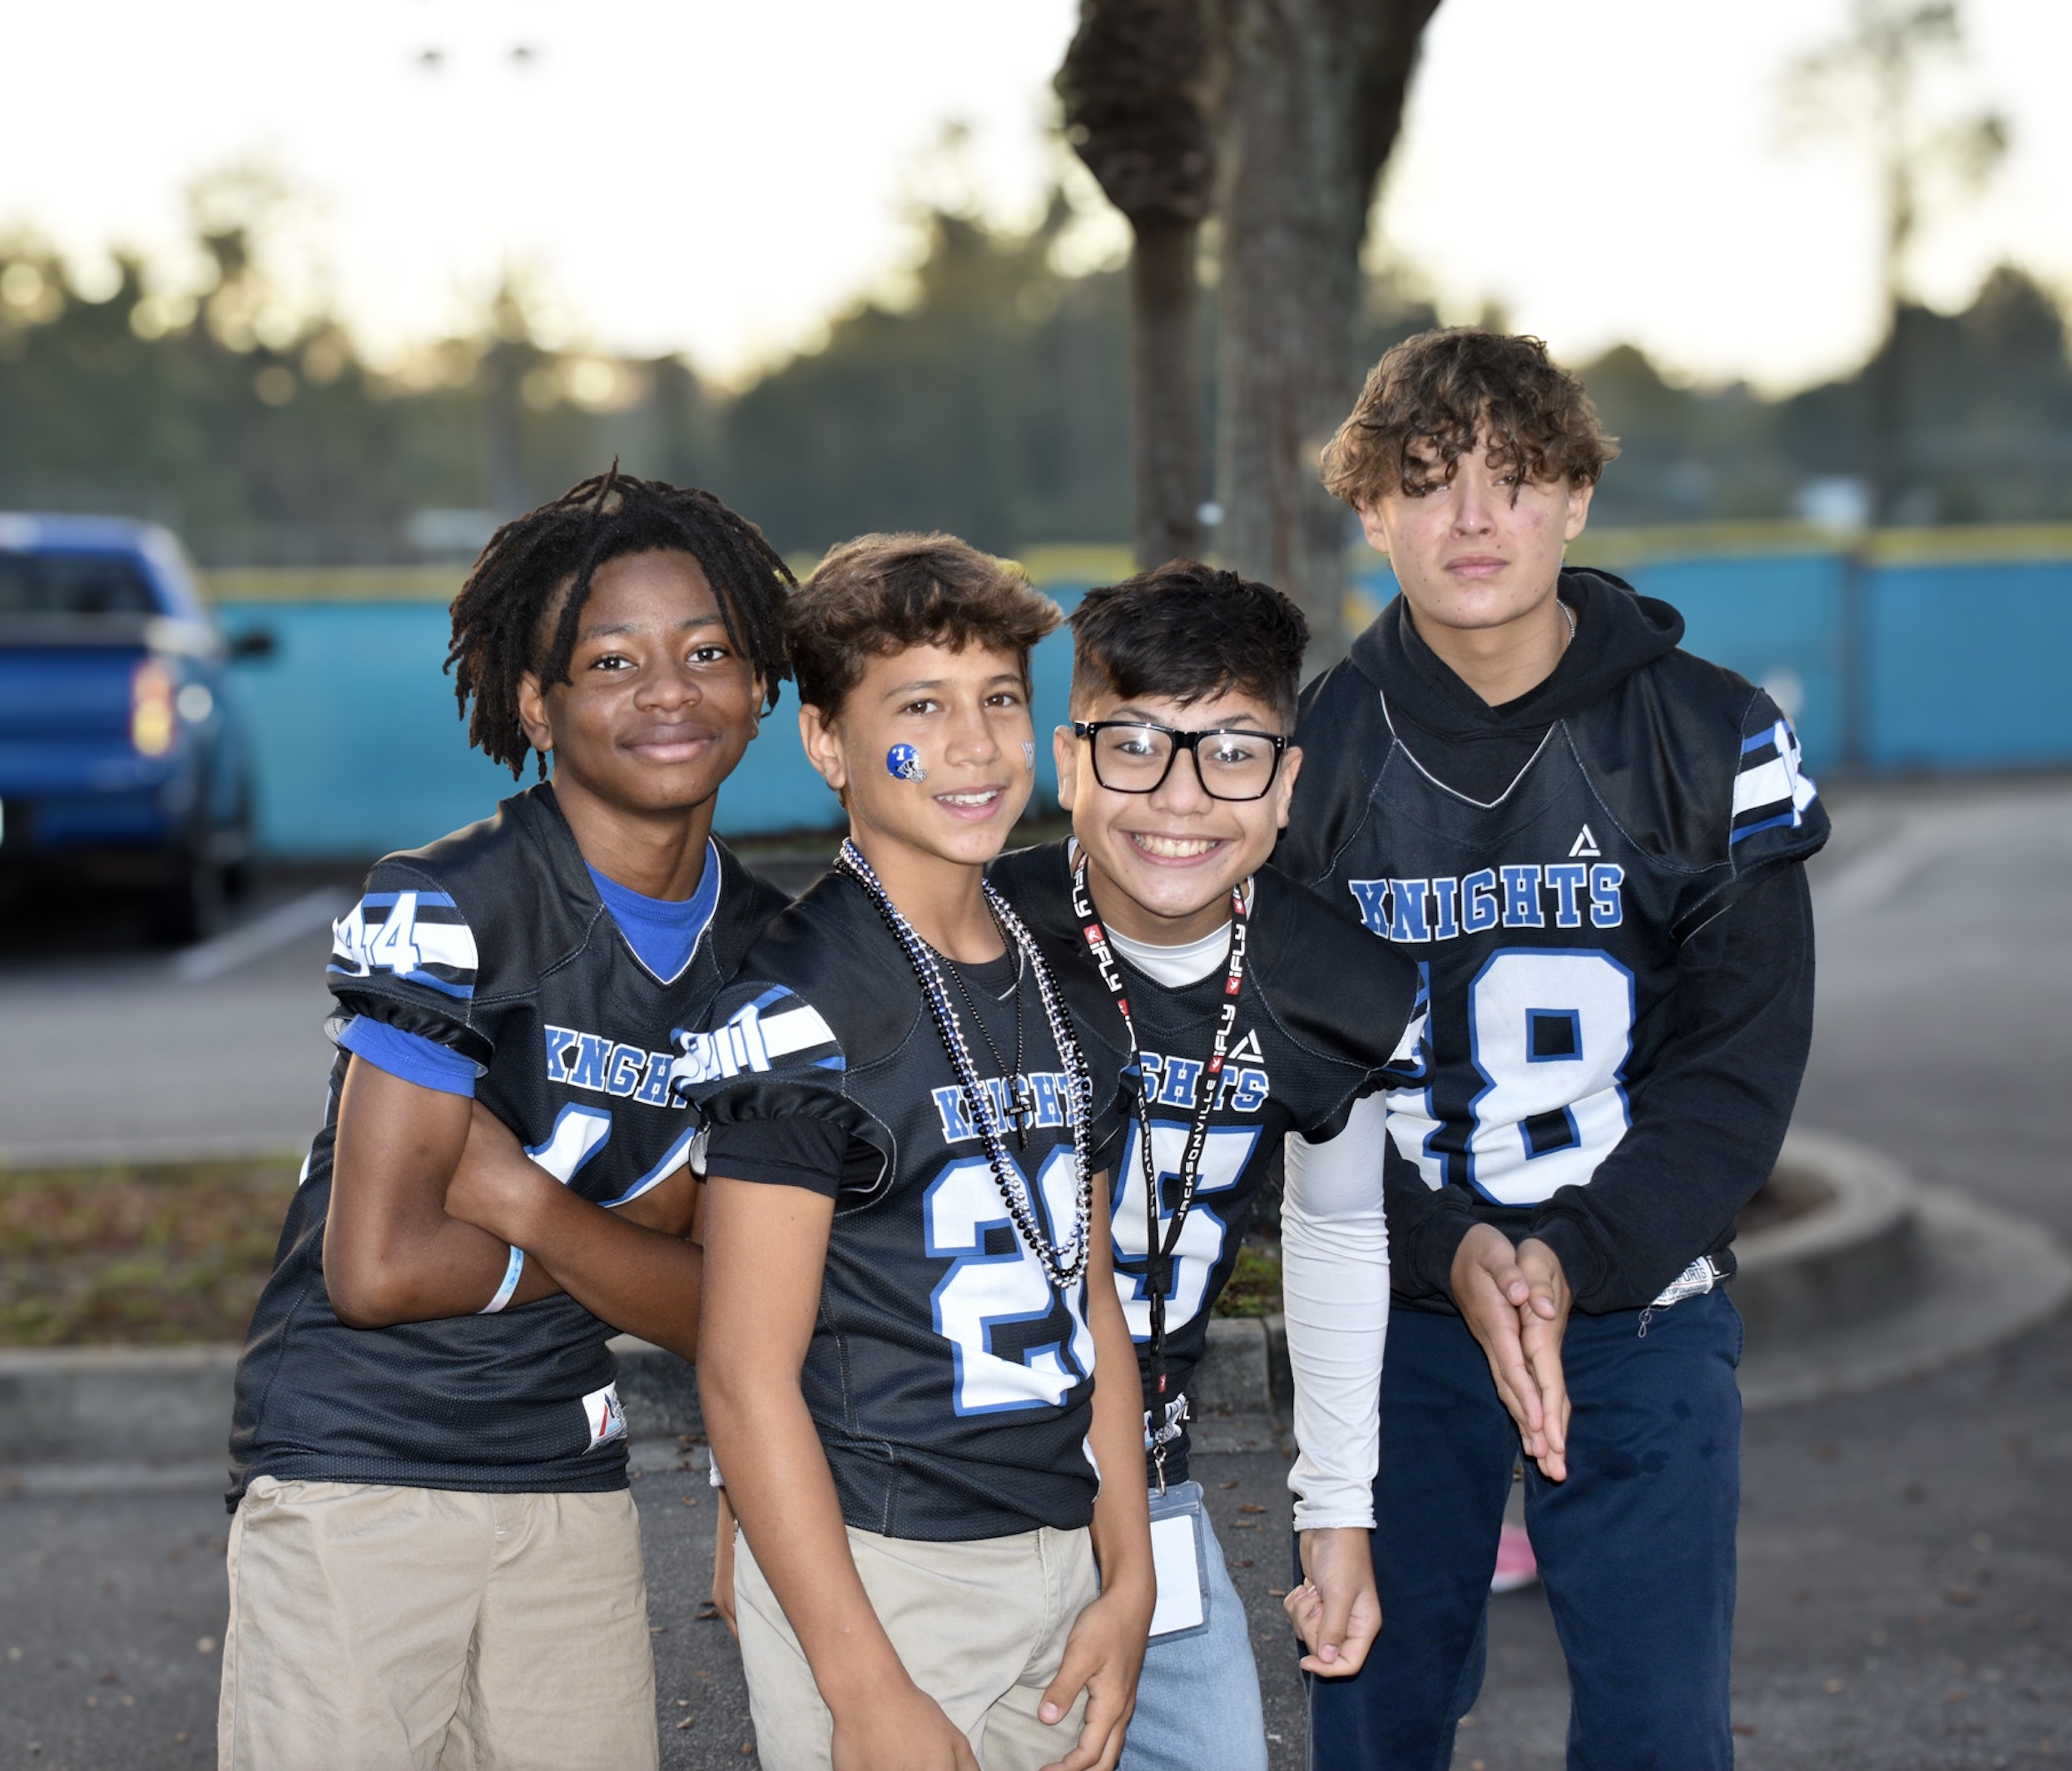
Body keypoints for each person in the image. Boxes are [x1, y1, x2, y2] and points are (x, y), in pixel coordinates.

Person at [1277, 328, 1827, 1770]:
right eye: (1426, 479)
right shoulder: (1301, 760)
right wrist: (1448, 1244)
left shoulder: (1706, 736)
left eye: (1513, 478)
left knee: (1657, 1734)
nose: (1471, 518)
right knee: (1376, 1716)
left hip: (1641, 1295)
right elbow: (1292, 1080)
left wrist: (1574, 1252)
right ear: (1368, 507)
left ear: (1575, 498)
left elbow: (1738, 1062)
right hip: (1390, 1304)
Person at [220, 469, 796, 1771]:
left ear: (762, 686)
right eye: (610, 661)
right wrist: (629, 1243)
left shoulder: (776, 956)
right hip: (360, 1468)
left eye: (709, 651)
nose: (668, 691)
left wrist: (530, 1201)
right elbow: (376, 1271)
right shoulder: (446, 904)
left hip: (564, 1471)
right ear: (535, 705)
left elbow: (733, 1310)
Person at [688, 533, 1154, 1771]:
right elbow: (742, 1374)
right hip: (887, 1571)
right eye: (919, 707)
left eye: (999, 700)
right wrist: (863, 1689)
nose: (971, 745)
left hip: (1060, 1550)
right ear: (830, 743)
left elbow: (1092, 1299)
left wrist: (1130, 1575)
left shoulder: (1062, 969)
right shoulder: (795, 1005)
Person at [986, 560, 1425, 1771]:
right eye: (1133, 745)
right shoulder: (966, 937)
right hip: (941, 1491)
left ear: (1287, 783)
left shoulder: (1335, 985)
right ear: (1067, 763)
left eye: (1230, 752)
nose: (1178, 798)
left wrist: (1336, 1510)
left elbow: (1336, 1235)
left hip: (1154, 1492)